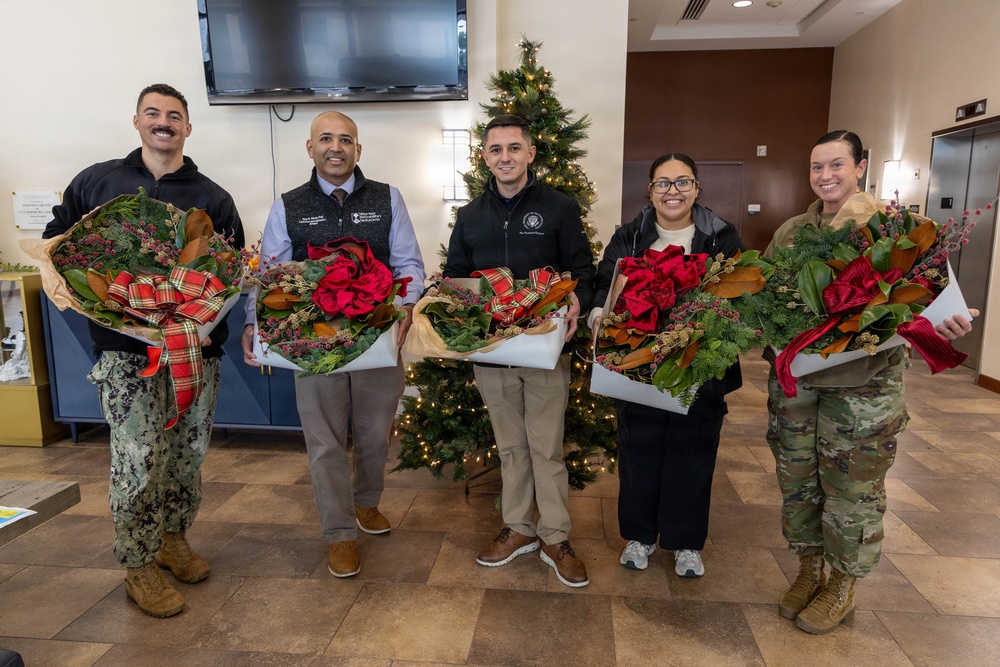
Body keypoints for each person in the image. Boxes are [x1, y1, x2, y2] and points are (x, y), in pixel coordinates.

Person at [42, 83, 245, 618]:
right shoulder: (97, 182)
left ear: (187, 127)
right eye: (153, 113)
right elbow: (58, 246)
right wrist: (65, 286)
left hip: (196, 354)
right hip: (124, 354)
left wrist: (205, 322)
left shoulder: (213, 197)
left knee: (187, 457)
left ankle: (174, 540)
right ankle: (138, 564)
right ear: (136, 121)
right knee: (138, 459)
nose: (164, 122)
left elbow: (229, 277)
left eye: (174, 116)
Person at [764, 130, 977, 634]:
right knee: (798, 482)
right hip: (800, 385)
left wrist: (947, 319)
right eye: (816, 167)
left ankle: (842, 583)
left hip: (863, 388)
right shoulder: (793, 231)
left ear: (861, 166)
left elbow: (932, 296)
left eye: (836, 165)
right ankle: (808, 568)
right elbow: (769, 296)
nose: (825, 176)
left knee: (851, 487)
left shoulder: (899, 227)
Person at [241, 111, 424, 579]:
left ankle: (365, 503)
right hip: (312, 342)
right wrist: (253, 324)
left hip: (378, 339)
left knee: (374, 434)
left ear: (358, 149)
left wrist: (403, 308)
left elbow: (408, 264)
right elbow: (269, 274)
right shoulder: (289, 205)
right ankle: (340, 533)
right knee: (323, 442)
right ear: (310, 148)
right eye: (326, 138)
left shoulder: (388, 198)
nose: (336, 147)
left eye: (346, 139)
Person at [443, 114, 596, 588]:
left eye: (514, 148)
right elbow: (455, 277)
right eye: (495, 149)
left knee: (546, 448)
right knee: (511, 447)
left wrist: (576, 302)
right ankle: (518, 528)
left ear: (531, 153)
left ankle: (555, 536)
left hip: (546, 350)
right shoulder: (469, 216)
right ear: (484, 157)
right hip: (492, 353)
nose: (504, 157)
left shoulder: (559, 208)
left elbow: (583, 272)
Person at [590, 153, 744, 578]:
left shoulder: (721, 238)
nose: (672, 192)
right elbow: (606, 286)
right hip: (637, 365)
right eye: (662, 183)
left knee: (691, 456)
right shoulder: (629, 236)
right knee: (639, 452)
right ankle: (638, 536)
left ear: (697, 188)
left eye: (682, 182)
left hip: (700, 371)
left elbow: (739, 297)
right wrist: (600, 315)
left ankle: (685, 543)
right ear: (649, 190)